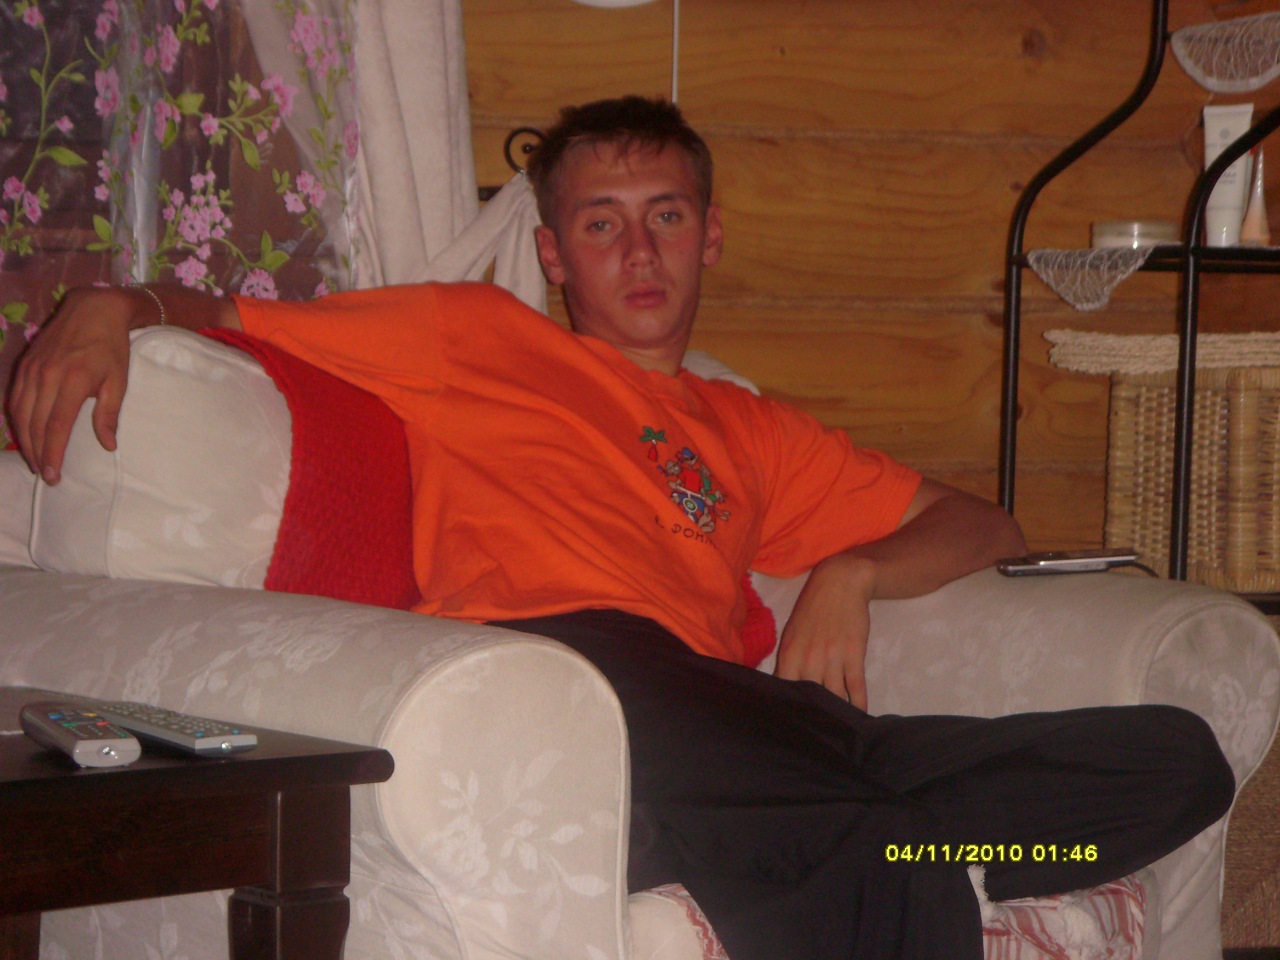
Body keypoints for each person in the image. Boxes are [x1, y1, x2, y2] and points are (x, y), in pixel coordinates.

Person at [8, 96, 1234, 960]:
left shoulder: (749, 426)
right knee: (848, 840)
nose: (638, 250)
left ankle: (844, 850)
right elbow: (227, 315)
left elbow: (981, 524)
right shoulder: (471, 336)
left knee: (1171, 760)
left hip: (748, 720)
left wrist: (851, 572)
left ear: (710, 233)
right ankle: (839, 853)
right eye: (600, 223)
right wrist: (108, 303)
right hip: (571, 672)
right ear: (553, 254)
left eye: (665, 216)